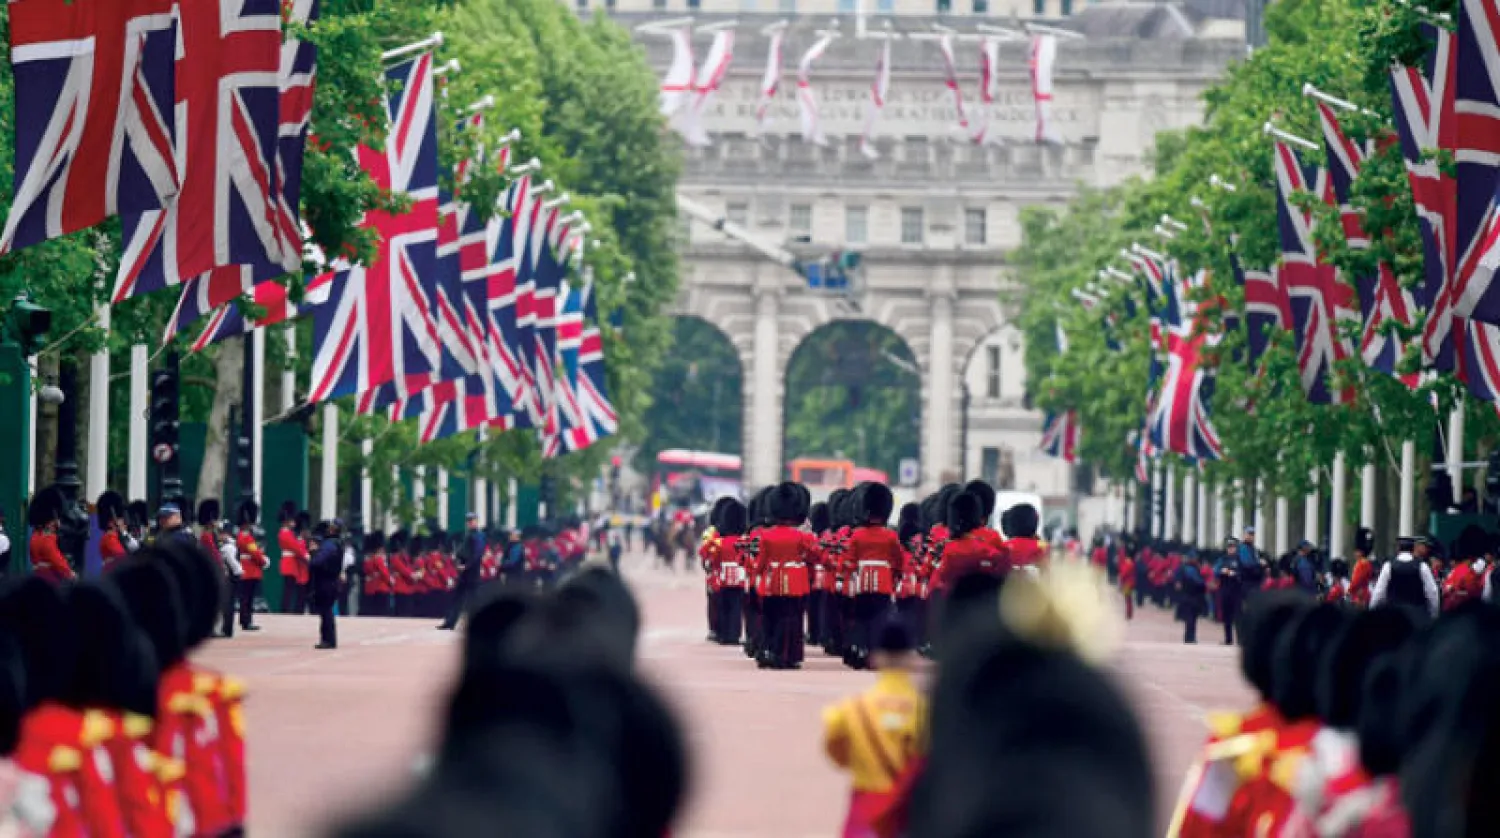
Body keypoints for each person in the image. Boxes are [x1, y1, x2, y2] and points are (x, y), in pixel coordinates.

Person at [822, 615, 927, 838]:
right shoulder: (928, 714)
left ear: (876, 658)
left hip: (865, 819)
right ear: (910, 658)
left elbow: (837, 755)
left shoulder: (850, 711)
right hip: (908, 819)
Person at [846, 484, 903, 670]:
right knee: (879, 619)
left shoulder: (857, 535)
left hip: (862, 580)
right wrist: (895, 576)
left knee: (861, 617)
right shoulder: (890, 536)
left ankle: (860, 650)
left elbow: (849, 560)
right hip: (883, 581)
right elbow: (899, 560)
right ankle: (875, 654)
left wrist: (848, 576)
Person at [1369, 536, 1440, 619]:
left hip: (1394, 616)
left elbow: (1379, 593)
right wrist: (1433, 614)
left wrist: (1372, 611)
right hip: (1417, 617)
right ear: (1413, 548)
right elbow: (1432, 592)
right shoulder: (1422, 566)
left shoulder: (1388, 566)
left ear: (1398, 548)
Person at [441, 514, 485, 630]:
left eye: (472, 520)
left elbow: (477, 554)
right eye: (468, 521)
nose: (470, 523)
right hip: (464, 571)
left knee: (474, 599)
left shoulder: (479, 536)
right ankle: (450, 622)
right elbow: (464, 551)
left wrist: (466, 566)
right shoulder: (468, 535)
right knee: (457, 597)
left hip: (472, 571)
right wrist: (458, 559)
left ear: (476, 521)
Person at [26, 487, 72, 584]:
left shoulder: (35, 537)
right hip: (53, 584)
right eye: (54, 520)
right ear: (48, 520)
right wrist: (72, 575)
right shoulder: (48, 539)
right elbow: (59, 563)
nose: (57, 524)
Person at [234, 501, 266, 631]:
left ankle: (244, 620)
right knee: (248, 597)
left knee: (245, 597)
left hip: (246, 568)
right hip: (251, 570)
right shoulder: (247, 538)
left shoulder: (241, 536)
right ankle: (247, 621)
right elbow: (255, 553)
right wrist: (263, 561)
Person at [309, 522, 341, 649]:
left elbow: (317, 562)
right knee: (326, 611)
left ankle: (327, 639)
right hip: (331, 580)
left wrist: (313, 554)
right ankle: (328, 639)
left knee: (325, 611)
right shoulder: (336, 543)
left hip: (325, 580)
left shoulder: (329, 545)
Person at [277, 502, 309, 614]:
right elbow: (295, 547)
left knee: (289, 588)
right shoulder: (285, 533)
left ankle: (286, 608)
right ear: (286, 521)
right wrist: (305, 555)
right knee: (288, 589)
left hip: (290, 562)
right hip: (289, 563)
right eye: (291, 521)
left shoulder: (287, 533)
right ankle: (285, 609)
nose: (293, 523)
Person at [96, 491, 135, 571]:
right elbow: (122, 556)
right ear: (111, 523)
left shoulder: (121, 536)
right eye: (121, 520)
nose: (125, 523)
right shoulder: (109, 537)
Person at [1174, 555, 1208, 644]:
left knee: (1191, 618)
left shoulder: (1185, 568)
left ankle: (1189, 637)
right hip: (1191, 596)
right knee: (1191, 618)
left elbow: (1178, 584)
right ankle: (1190, 637)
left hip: (1190, 596)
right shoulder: (1191, 569)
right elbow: (1201, 583)